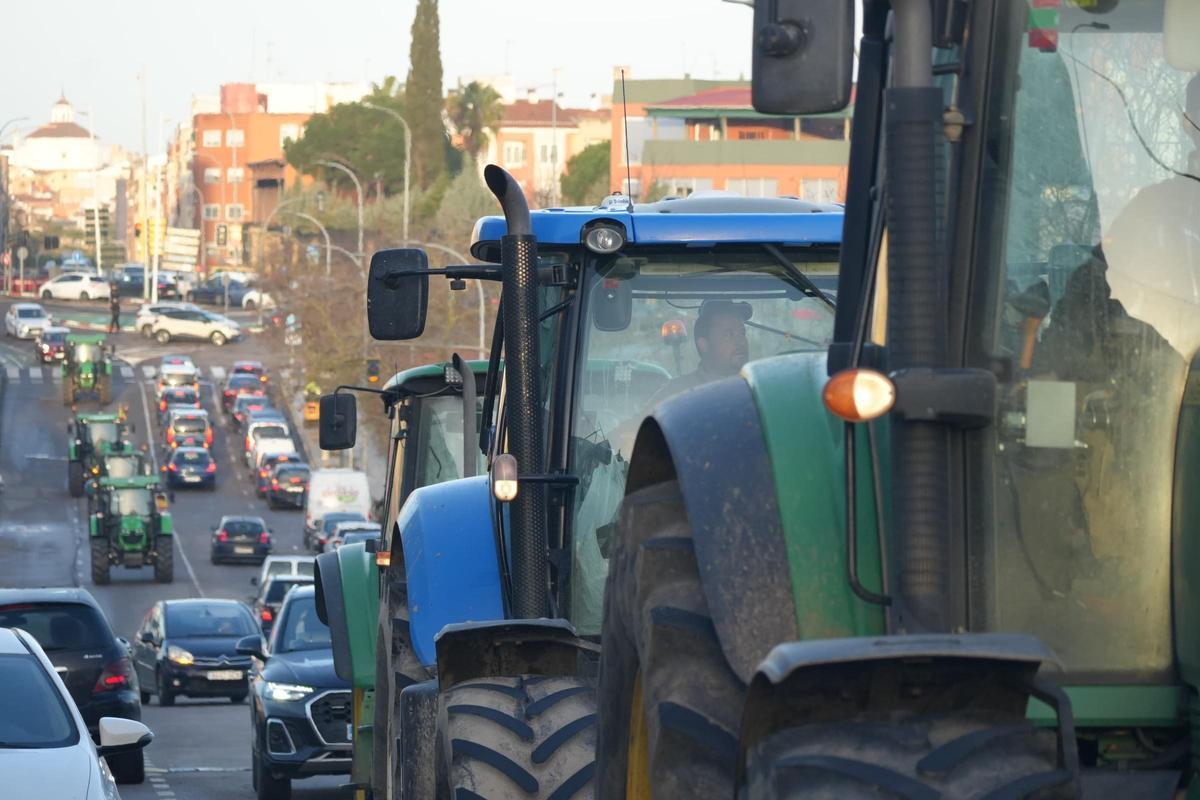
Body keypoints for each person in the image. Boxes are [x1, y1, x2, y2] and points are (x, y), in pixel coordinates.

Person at [646, 299, 752, 405]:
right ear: (704, 345)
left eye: (742, 333)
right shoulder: (675, 394)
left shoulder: (760, 388)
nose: (741, 341)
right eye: (728, 335)